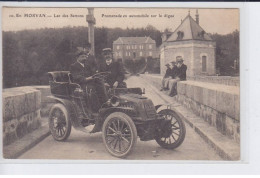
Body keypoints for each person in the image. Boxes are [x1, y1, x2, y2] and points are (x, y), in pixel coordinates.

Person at [70, 46, 108, 112]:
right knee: (91, 89)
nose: (84, 58)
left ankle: (105, 103)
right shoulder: (74, 66)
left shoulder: (87, 65)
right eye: (82, 57)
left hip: (89, 82)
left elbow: (93, 73)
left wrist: (97, 75)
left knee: (100, 83)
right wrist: (90, 78)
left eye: (85, 56)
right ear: (77, 58)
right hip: (80, 85)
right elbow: (78, 78)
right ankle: (96, 110)